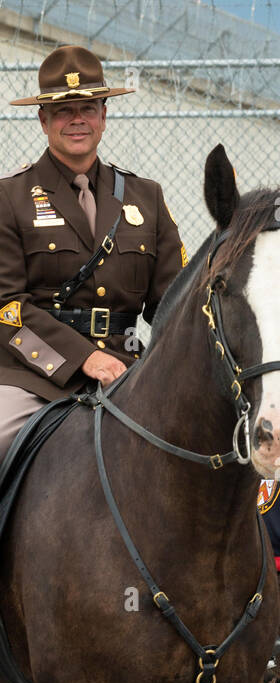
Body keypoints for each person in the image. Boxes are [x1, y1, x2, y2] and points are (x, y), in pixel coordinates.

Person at [0, 45, 186, 464]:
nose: (77, 119)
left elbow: (173, 303)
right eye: (64, 111)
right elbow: (5, 308)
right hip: (31, 377)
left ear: (104, 115)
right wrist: (84, 357)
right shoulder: (8, 197)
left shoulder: (146, 197)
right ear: (43, 119)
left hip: (128, 370)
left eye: (88, 107)